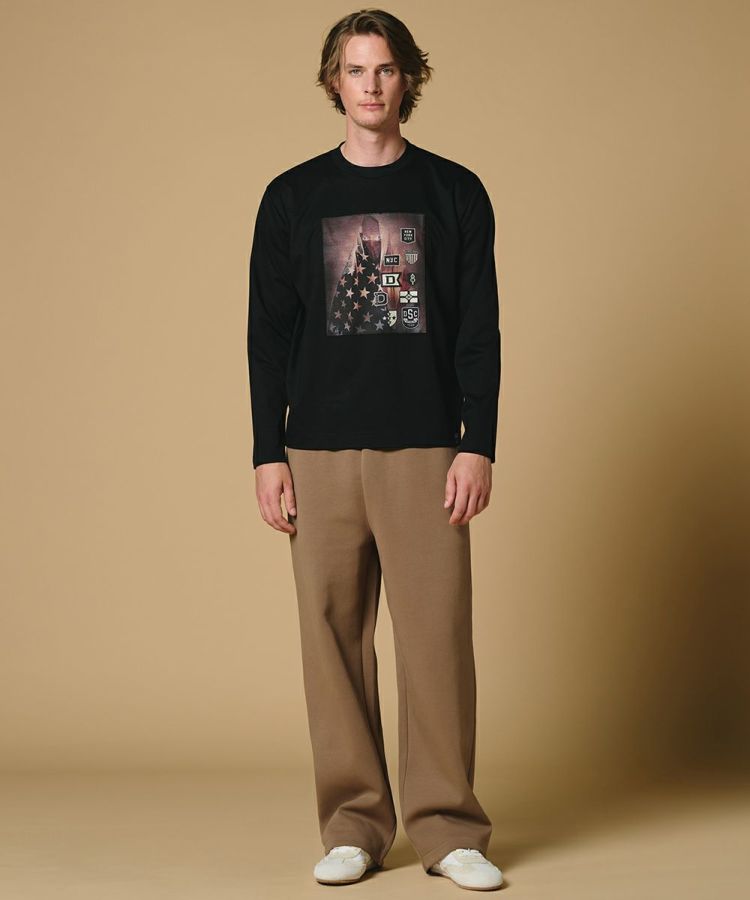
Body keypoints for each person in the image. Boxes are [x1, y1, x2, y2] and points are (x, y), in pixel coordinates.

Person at [247, 8, 503, 892]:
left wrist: (478, 444)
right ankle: (355, 825)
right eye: (355, 70)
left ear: (408, 79)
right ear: (334, 81)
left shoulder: (455, 192)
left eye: (386, 69)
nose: (371, 84)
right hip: (315, 451)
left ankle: (448, 829)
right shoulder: (291, 198)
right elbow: (266, 336)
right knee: (331, 641)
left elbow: (480, 330)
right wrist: (266, 452)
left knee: (436, 642)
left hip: (426, 448)